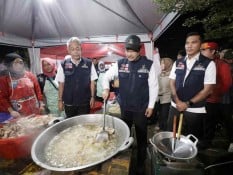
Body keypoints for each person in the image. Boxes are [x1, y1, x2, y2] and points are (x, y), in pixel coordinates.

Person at [102, 35, 158, 175]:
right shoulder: (120, 63)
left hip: (141, 108)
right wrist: (106, 88)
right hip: (125, 107)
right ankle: (123, 157)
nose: (129, 54)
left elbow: (154, 87)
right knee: (124, 134)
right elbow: (106, 76)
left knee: (141, 136)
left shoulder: (148, 64)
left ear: (139, 50)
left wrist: (151, 106)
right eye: (127, 50)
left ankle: (141, 162)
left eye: (132, 50)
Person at [167, 32, 216, 150]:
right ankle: (171, 158)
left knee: (190, 140)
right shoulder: (178, 62)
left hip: (195, 110)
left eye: (194, 42)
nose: (189, 45)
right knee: (171, 135)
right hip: (175, 106)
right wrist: (178, 101)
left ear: (200, 45)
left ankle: (187, 162)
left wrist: (187, 104)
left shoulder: (208, 64)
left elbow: (207, 90)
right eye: (187, 43)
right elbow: (171, 82)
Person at [55, 37, 98, 118]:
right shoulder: (63, 64)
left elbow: (92, 82)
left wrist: (92, 97)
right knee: (71, 125)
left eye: (77, 48)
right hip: (69, 102)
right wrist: (60, 100)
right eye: (72, 49)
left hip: (84, 102)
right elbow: (61, 83)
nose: (75, 52)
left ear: (81, 49)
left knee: (84, 124)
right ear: (68, 50)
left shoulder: (89, 63)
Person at [200, 42, 232, 148]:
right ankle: (207, 142)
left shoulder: (222, 64)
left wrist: (215, 93)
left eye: (205, 50)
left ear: (213, 51)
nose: (202, 52)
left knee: (227, 121)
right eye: (201, 50)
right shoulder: (202, 64)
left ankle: (231, 141)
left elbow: (227, 83)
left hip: (221, 100)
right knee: (208, 122)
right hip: (207, 100)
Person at [0, 53, 44, 118]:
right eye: (16, 63)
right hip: (19, 113)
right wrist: (11, 111)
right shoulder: (4, 79)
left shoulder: (30, 75)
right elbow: (2, 97)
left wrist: (41, 104)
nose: (19, 65)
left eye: (21, 62)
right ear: (9, 65)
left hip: (35, 109)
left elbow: (38, 91)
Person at [220, 49, 233, 152]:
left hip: (225, 99)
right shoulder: (222, 66)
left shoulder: (225, 66)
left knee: (228, 121)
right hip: (223, 98)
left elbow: (228, 84)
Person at [157, 57, 173, 131]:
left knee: (165, 115)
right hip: (159, 98)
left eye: (163, 63)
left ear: (168, 65)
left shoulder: (172, 75)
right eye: (161, 63)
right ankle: (160, 126)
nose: (161, 65)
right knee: (160, 114)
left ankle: (165, 130)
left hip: (167, 99)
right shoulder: (160, 73)